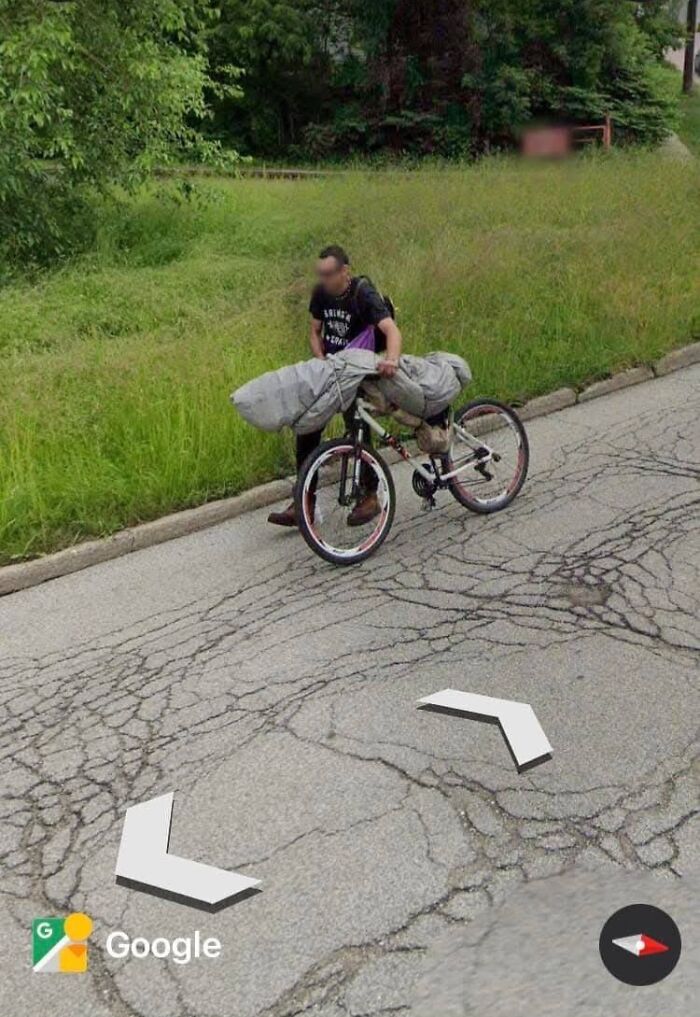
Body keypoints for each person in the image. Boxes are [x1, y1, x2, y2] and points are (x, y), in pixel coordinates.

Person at [268, 244, 404, 528]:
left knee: (357, 425)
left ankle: (370, 495)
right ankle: (304, 501)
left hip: (357, 369)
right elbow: (314, 331)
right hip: (332, 369)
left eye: (329, 273)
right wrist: (320, 359)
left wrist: (391, 359)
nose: (324, 279)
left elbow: (391, 329)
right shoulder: (320, 293)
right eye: (320, 274)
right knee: (307, 428)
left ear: (345, 271)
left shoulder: (362, 293)